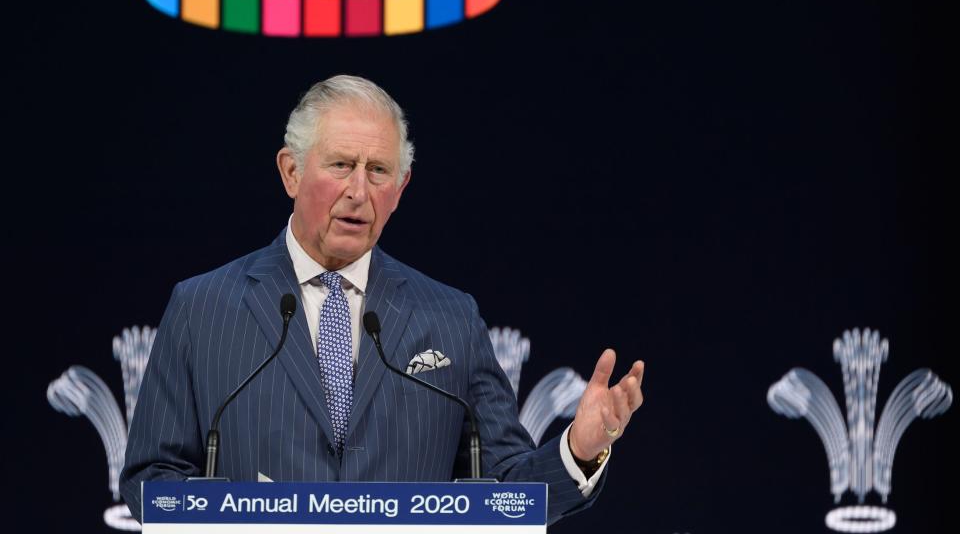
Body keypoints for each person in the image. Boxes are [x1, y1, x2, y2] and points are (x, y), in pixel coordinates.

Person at [120, 75, 645, 525]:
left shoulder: (450, 318)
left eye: (378, 171)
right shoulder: (203, 308)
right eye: (341, 165)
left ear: (402, 186)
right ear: (290, 172)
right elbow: (151, 480)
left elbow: (506, 488)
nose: (358, 191)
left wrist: (578, 448)